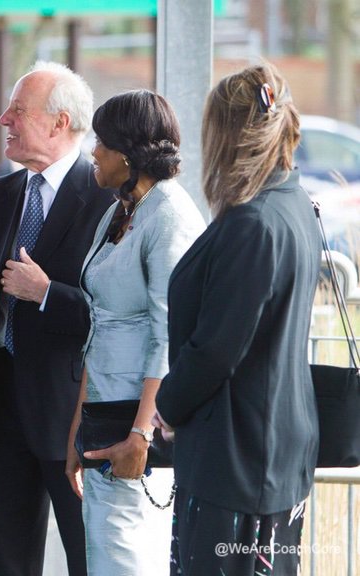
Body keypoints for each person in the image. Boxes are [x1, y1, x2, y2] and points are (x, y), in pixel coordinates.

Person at [0, 60, 115, 576]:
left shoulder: (107, 200)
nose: (3, 120)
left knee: (90, 558)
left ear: (59, 123)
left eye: (17, 111)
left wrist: (46, 294)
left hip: (71, 419)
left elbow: (113, 315)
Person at [154, 64, 319, 576]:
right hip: (274, 455)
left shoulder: (254, 220)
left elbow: (217, 348)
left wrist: (166, 404)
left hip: (239, 461)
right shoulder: (295, 204)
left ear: (226, 133)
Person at [63, 90, 205, 574]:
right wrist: (76, 431)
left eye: (101, 141)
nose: (93, 151)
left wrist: (140, 435)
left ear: (127, 151)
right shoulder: (120, 210)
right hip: (102, 420)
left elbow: (171, 334)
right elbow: (100, 323)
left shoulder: (169, 216)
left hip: (135, 432)